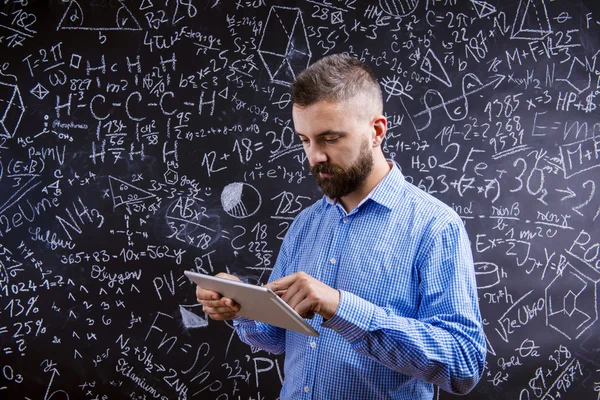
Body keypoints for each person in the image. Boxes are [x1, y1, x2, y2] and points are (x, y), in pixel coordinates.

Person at [196, 53, 486, 399]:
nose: (315, 156)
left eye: (330, 138)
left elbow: (464, 364)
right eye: (305, 140)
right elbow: (277, 339)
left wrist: (341, 307)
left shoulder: (435, 226)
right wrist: (242, 305)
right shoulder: (306, 224)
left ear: (377, 131)